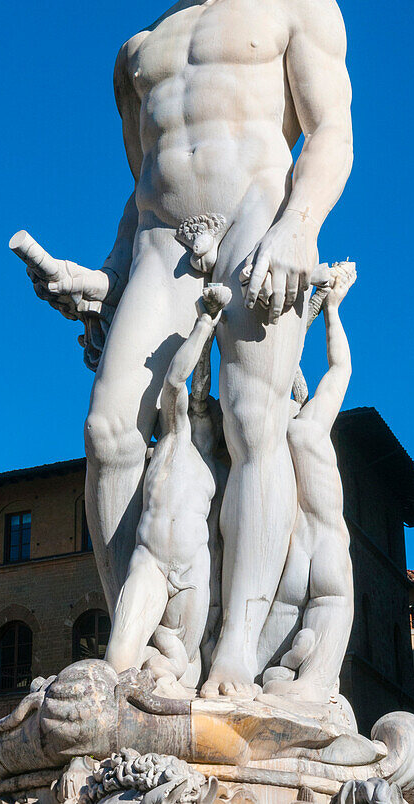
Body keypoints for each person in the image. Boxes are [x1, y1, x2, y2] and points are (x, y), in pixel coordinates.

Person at [23, 0, 353, 696]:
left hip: (260, 218)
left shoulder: (299, 4)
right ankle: (157, 641)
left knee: (253, 423)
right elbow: (141, 189)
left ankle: (238, 649)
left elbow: (330, 136)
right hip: (165, 242)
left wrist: (293, 229)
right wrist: (98, 275)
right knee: (107, 430)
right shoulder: (139, 51)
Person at [104, 285, 231, 695]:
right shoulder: (176, 436)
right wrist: (205, 325)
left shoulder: (221, 472)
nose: (203, 408)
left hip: (194, 572)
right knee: (118, 659)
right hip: (153, 562)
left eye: (209, 409)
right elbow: (179, 383)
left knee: (184, 664)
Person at [259, 261, 357, 704]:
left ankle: (276, 674)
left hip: (289, 554)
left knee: (259, 677)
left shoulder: (262, 438)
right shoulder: (311, 426)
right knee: (329, 617)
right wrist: (333, 308)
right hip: (328, 544)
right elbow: (340, 370)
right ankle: (309, 682)